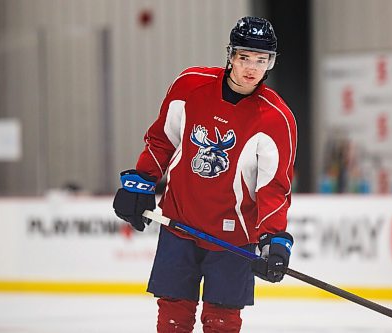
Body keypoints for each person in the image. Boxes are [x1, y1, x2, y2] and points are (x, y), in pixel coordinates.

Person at [113, 16, 297, 332]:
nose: (252, 67)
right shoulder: (190, 86)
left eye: (261, 59)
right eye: (244, 57)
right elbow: (162, 139)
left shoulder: (277, 118)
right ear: (230, 55)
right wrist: (141, 182)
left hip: (235, 238)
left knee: (222, 322)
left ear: (271, 63)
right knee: (173, 317)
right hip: (179, 222)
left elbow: (274, 188)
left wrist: (274, 240)